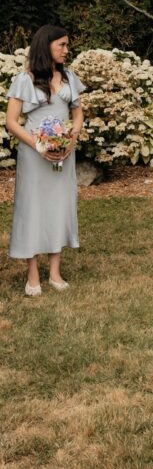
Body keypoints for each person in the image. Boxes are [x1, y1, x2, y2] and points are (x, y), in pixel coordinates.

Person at [5, 24, 85, 296]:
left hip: (63, 154)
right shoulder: (24, 80)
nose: (66, 49)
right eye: (61, 45)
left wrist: (69, 141)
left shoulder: (69, 78)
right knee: (33, 209)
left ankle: (55, 272)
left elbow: (77, 114)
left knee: (58, 207)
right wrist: (39, 145)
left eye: (66, 45)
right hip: (33, 154)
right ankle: (32, 275)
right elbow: (12, 123)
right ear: (46, 46)